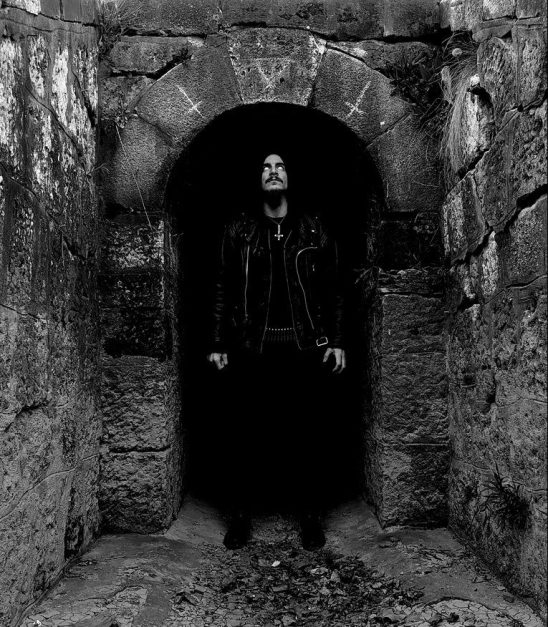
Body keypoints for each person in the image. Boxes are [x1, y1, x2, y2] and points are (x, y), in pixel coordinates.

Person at [207, 153, 346, 551]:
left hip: (304, 348)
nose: (273, 171)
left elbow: (334, 287)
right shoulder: (240, 229)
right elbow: (223, 285)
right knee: (246, 435)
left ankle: (310, 516)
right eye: (266, 167)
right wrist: (217, 342)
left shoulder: (313, 227)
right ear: (259, 180)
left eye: (280, 166)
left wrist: (338, 340)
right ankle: (240, 517)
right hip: (253, 348)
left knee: (308, 435)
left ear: (289, 178)